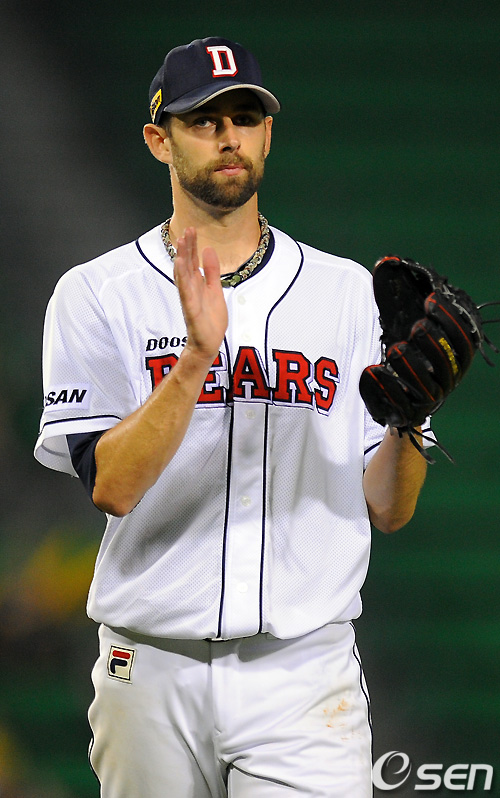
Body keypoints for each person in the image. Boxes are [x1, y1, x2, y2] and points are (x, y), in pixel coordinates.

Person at [35, 37, 428, 798]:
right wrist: (194, 360)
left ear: (268, 134)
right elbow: (111, 486)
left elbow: (389, 506)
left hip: (304, 673)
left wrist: (410, 420)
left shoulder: (347, 294)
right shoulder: (96, 294)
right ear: (160, 140)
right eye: (203, 120)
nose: (228, 137)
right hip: (150, 668)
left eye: (245, 118)